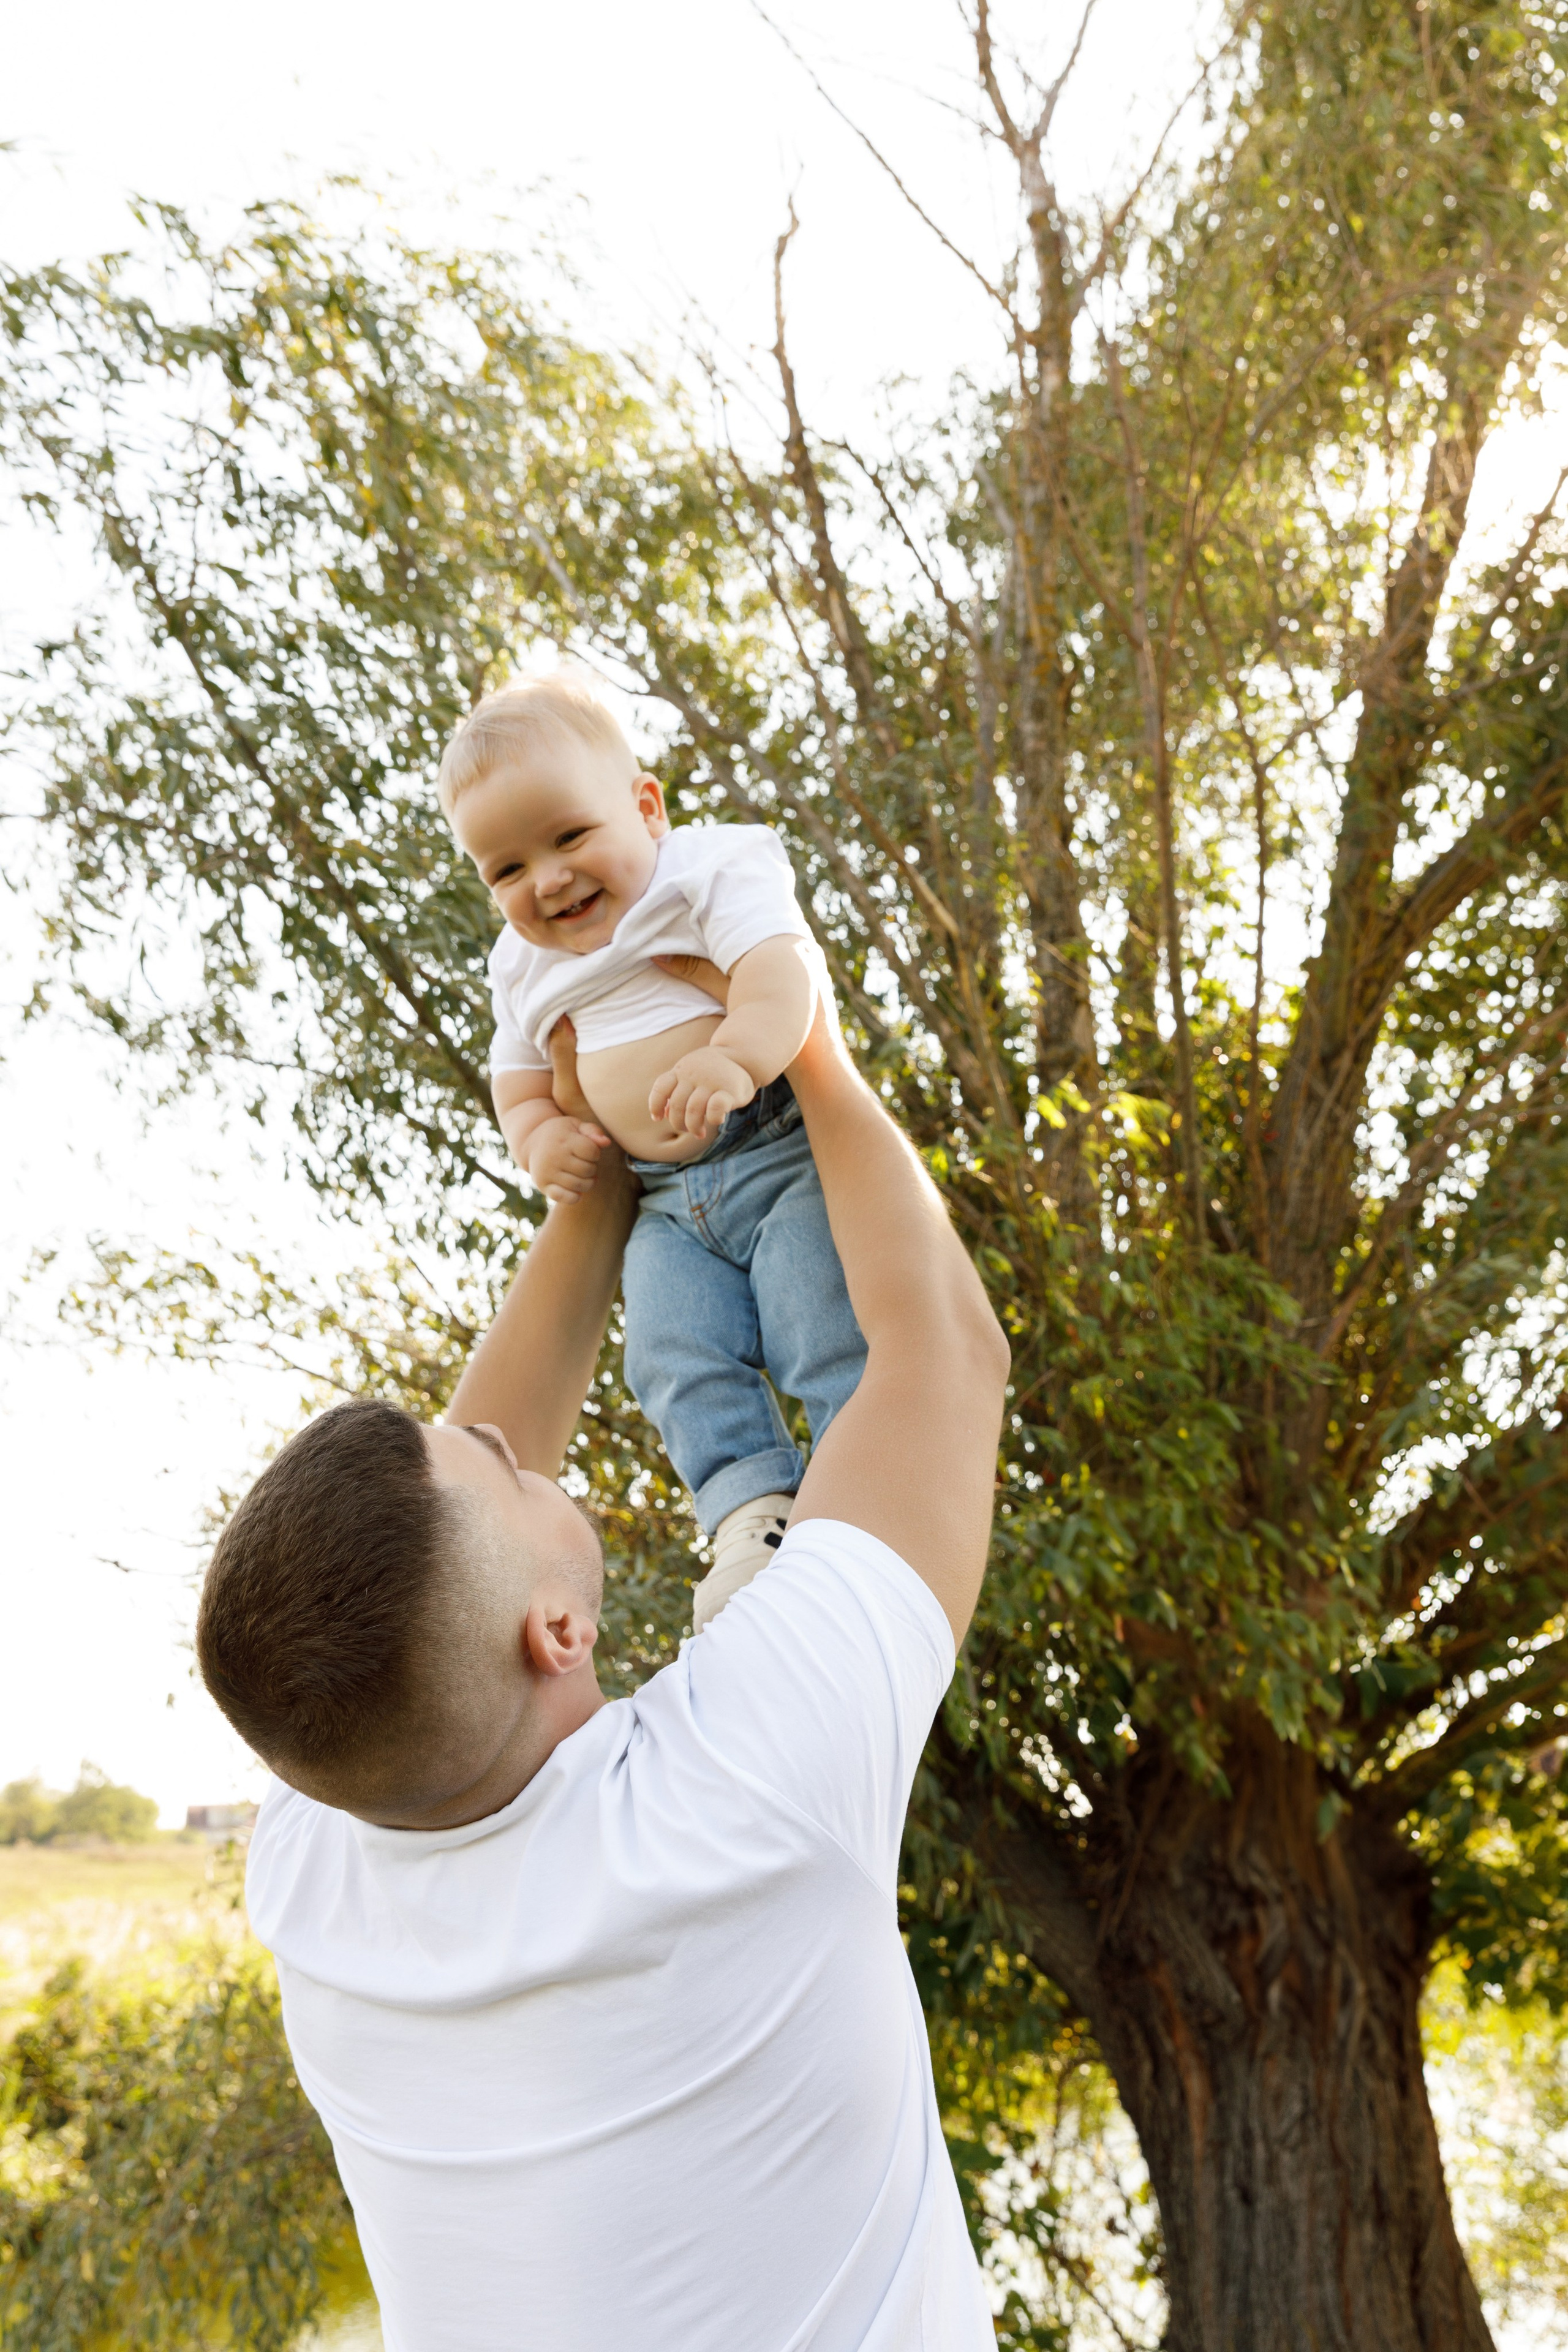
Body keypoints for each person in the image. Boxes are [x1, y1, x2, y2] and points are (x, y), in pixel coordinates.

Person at [198, 991, 1010, 2352]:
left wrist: (604, 1167)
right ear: (556, 1634)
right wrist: (791, 1023)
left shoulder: (315, 1859)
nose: (519, 1447)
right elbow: (944, 1353)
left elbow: (428, 1555)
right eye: (508, 1473)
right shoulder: (748, 1783)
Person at [439, 675, 867, 1626]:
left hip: (774, 1152)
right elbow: (515, 1079)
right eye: (504, 870)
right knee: (671, 1350)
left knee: (818, 1316)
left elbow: (778, 971)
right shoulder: (520, 967)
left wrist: (735, 1054)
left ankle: (856, 1495)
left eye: (568, 837)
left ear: (647, 808)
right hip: (665, 1202)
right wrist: (541, 1136)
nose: (545, 880)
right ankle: (752, 1512)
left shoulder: (706, 872)